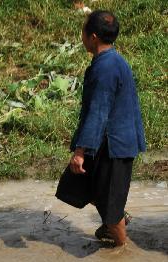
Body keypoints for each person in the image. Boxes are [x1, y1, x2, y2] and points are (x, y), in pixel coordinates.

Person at [56, 10, 146, 247]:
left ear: (93, 36)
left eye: (84, 30)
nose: (81, 34)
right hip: (109, 141)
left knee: (110, 208)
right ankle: (116, 221)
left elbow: (98, 112)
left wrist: (79, 152)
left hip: (114, 146)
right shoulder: (111, 61)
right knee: (86, 187)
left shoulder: (105, 68)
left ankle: (120, 254)